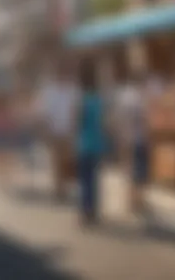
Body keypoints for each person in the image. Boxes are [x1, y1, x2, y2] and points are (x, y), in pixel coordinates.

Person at [37, 65, 80, 200]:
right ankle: (59, 189)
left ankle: (64, 186)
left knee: (67, 160)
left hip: (69, 131)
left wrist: (75, 128)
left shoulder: (73, 89)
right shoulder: (49, 92)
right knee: (56, 161)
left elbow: (77, 110)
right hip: (54, 131)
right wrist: (46, 131)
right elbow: (45, 114)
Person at [76, 62, 107, 226]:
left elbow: (77, 122)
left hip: (84, 143)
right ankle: (94, 211)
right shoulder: (98, 100)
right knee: (94, 180)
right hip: (97, 143)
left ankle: (85, 213)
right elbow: (103, 122)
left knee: (84, 180)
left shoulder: (82, 100)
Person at [119, 72, 151, 216]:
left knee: (130, 169)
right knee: (139, 171)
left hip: (126, 138)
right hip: (137, 138)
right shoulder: (138, 98)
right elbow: (142, 119)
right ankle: (137, 200)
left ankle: (130, 200)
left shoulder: (124, 96)